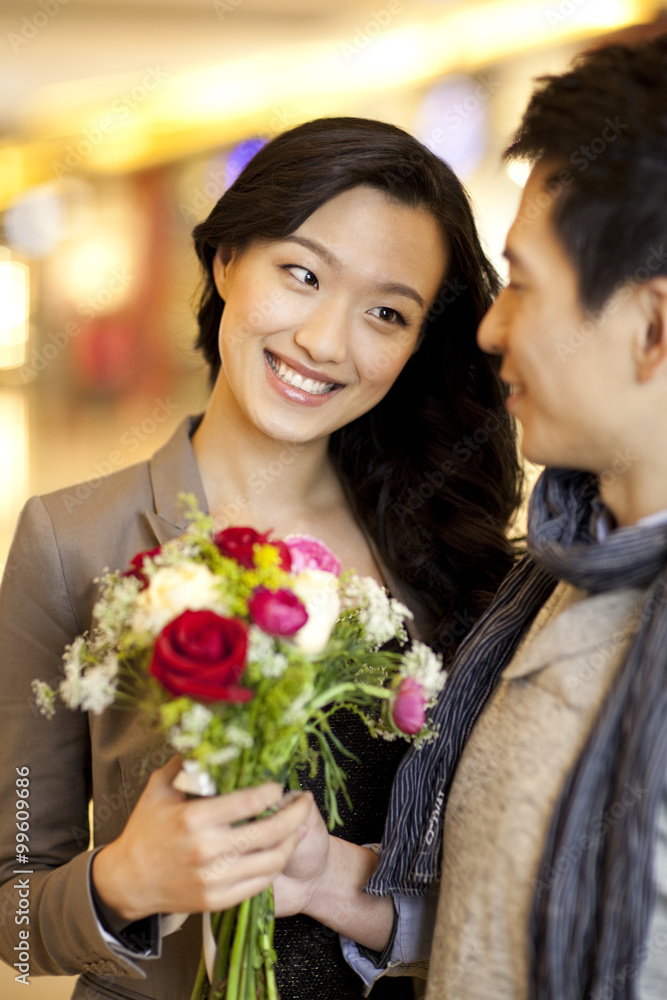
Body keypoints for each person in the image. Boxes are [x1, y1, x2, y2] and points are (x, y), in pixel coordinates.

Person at [0, 117, 522, 1000]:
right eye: (302, 274)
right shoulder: (72, 538)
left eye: (385, 313)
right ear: (228, 257)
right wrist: (125, 880)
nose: (324, 340)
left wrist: (337, 886)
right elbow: (13, 923)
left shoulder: (447, 557)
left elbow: (506, 906)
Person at [272, 37, 667, 1000]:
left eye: (523, 282)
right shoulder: (562, 572)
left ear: (652, 329)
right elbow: (513, 912)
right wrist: (336, 878)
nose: (490, 328)